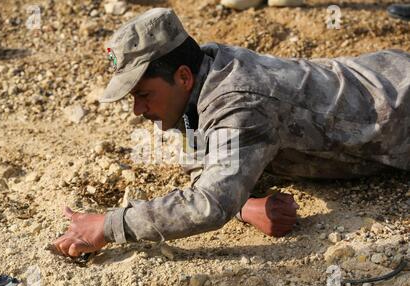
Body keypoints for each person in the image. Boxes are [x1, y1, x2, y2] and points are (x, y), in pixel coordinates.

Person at [53, 8, 410, 258]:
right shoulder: (202, 75)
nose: (138, 110)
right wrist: (245, 204)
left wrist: (111, 225)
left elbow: (209, 203)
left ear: (182, 77)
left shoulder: (240, 101)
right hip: (378, 76)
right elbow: (204, 167)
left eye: (144, 95)